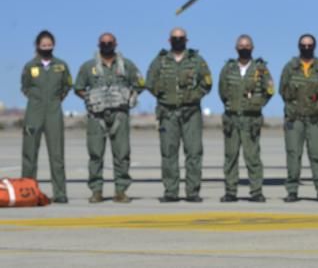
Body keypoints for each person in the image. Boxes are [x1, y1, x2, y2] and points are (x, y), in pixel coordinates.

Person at [74, 33, 144, 203]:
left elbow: (140, 84)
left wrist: (131, 96)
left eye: (110, 42)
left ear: (116, 44)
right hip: (96, 116)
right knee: (95, 153)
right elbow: (78, 87)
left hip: (120, 115)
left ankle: (121, 190)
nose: (107, 45)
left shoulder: (127, 65)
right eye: (103, 42)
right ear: (98, 44)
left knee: (121, 153)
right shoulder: (88, 66)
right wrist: (89, 98)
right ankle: (96, 191)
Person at [146, 27, 212, 202]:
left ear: (186, 40)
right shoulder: (160, 61)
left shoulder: (196, 60)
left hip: (191, 113)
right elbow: (150, 82)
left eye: (181, 38)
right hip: (168, 113)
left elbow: (207, 83)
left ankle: (193, 192)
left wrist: (194, 96)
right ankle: (171, 191)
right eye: (175, 38)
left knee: (194, 152)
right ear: (169, 41)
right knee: (169, 153)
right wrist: (163, 95)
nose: (178, 40)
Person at [218, 35, 274, 203]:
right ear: (236, 48)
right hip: (232, 119)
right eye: (241, 45)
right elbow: (222, 91)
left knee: (253, 157)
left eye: (247, 45)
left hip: (251, 120)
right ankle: (230, 192)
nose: (244, 48)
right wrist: (232, 106)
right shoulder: (228, 69)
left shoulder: (261, 69)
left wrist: (257, 104)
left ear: (253, 48)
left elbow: (269, 90)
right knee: (230, 157)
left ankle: (256, 192)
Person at [279, 34, 318, 203]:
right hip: (295, 119)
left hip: (315, 119)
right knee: (293, 154)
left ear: (315, 46)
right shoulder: (290, 67)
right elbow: (283, 90)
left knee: (317, 154)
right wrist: (293, 107)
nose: (306, 48)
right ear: (298, 46)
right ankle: (292, 190)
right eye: (303, 45)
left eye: (310, 45)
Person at [20, 30, 72, 203]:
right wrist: (37, 101)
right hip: (34, 112)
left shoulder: (61, 66)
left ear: (54, 46)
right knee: (29, 153)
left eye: (49, 45)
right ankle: (27, 192)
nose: (47, 48)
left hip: (54, 112)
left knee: (57, 154)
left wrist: (54, 101)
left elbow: (66, 86)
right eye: (44, 45)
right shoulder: (30, 66)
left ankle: (60, 193)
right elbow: (25, 87)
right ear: (37, 46)